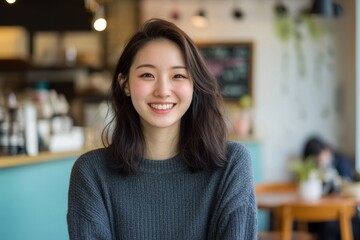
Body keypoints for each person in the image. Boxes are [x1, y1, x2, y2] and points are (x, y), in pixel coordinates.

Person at [67, 18, 258, 239]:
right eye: (147, 75)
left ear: (194, 84)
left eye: (178, 75)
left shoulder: (231, 165)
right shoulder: (92, 172)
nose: (163, 90)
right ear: (125, 84)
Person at [302, 136, 359, 240]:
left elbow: (349, 189)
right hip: (319, 214)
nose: (317, 163)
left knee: (330, 227)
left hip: (343, 214)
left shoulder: (342, 162)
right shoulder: (312, 173)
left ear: (326, 151)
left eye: (317, 159)